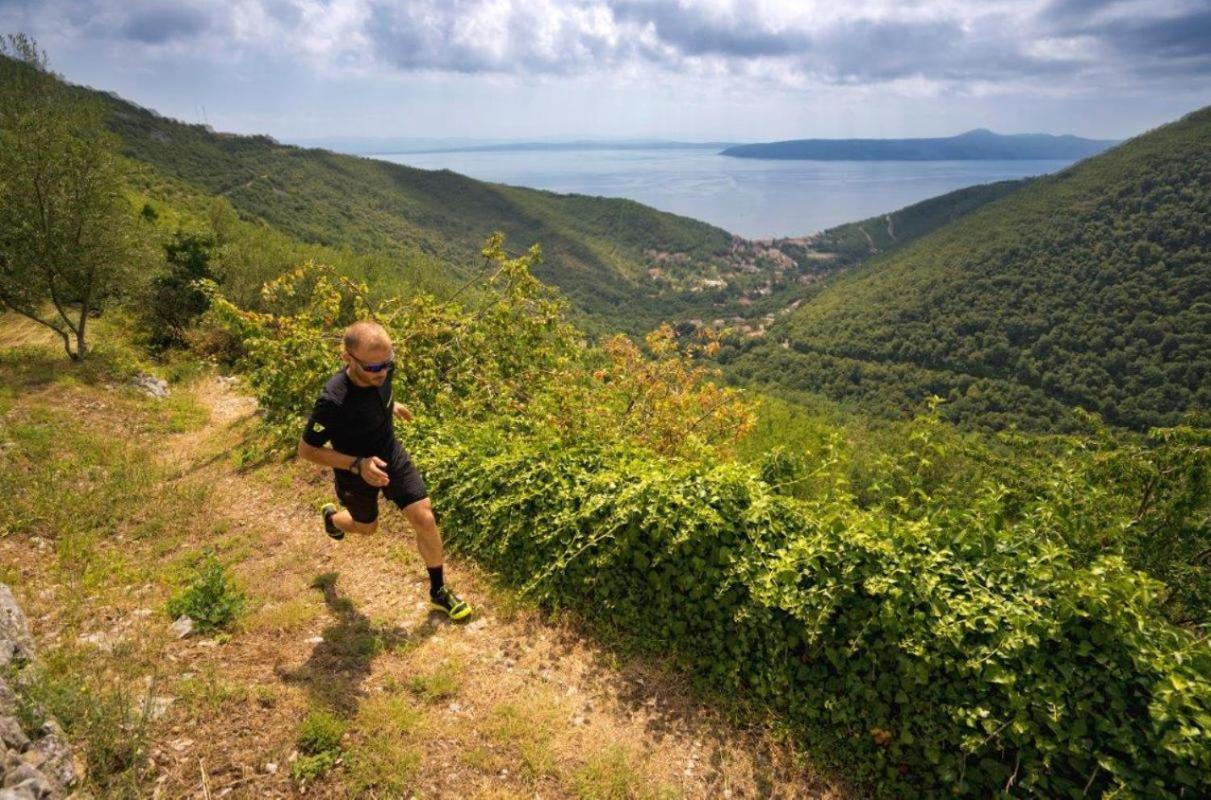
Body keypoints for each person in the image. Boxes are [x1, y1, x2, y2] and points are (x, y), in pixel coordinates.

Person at [297, 320, 471, 620]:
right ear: (348, 359)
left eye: (387, 364)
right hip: (355, 470)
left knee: (424, 517)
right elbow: (307, 450)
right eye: (373, 368)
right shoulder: (333, 400)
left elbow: (374, 393)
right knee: (367, 528)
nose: (382, 373)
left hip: (390, 453)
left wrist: (392, 405)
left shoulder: (382, 368)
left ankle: (438, 591)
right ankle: (333, 518)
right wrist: (357, 464)